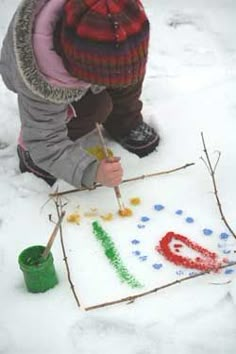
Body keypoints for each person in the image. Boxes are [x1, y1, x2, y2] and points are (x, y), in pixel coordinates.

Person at [0, 0, 159, 189]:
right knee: (96, 107)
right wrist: (91, 170)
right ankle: (30, 156)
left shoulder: (113, 20)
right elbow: (45, 141)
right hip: (47, 82)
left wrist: (126, 79)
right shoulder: (43, 76)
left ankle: (122, 121)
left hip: (85, 59)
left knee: (126, 75)